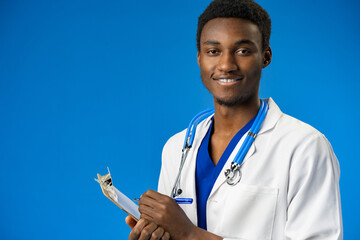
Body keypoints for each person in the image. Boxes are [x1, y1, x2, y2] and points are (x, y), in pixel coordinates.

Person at [126, 0, 343, 239]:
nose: (226, 65)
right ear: (199, 58)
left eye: (243, 51)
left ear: (265, 56)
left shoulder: (305, 147)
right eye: (213, 51)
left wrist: (189, 234)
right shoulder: (177, 148)